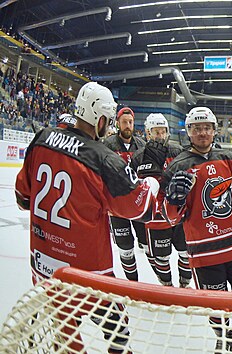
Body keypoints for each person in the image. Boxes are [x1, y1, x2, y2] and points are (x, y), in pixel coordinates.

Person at [14, 82, 161, 353]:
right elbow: (139, 209)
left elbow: (22, 198)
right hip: (90, 278)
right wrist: (152, 183)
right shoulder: (102, 158)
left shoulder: (41, 138)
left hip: (44, 269)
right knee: (119, 331)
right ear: (100, 118)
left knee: (66, 334)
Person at [161, 106, 232, 352]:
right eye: (196, 128)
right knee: (216, 308)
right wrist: (174, 200)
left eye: (207, 128)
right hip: (205, 254)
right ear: (188, 131)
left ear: (214, 130)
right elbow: (169, 218)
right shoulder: (178, 166)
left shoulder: (228, 159)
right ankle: (225, 334)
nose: (202, 133)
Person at [130, 113, 192, 287]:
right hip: (155, 219)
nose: (160, 135)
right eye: (156, 131)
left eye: (163, 131)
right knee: (161, 258)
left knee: (186, 253)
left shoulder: (178, 151)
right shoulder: (138, 157)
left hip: (179, 216)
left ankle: (184, 284)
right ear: (147, 133)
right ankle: (167, 287)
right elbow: (131, 187)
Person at [103, 107, 147, 281]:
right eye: (124, 122)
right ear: (118, 123)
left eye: (130, 122)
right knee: (125, 248)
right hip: (117, 206)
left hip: (138, 204)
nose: (128, 125)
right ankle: (133, 284)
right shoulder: (107, 145)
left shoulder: (142, 145)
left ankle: (163, 282)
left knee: (147, 245)